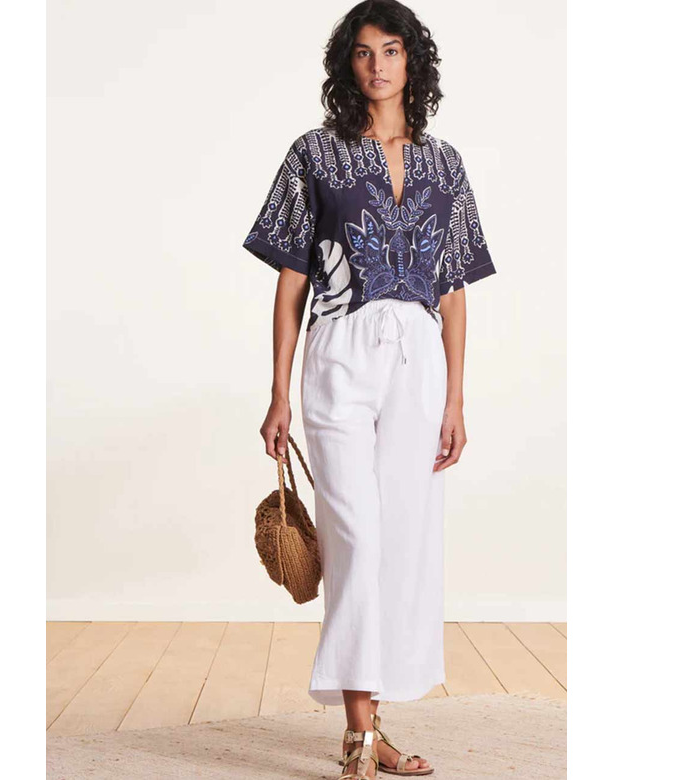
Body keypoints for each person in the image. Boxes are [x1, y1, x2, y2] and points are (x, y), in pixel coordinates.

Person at [242, 1, 497, 776]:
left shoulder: (445, 164)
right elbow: (291, 280)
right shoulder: (314, 155)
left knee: (404, 537)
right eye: (363, 51)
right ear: (346, 64)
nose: (378, 64)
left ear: (412, 61)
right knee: (355, 534)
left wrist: (456, 399)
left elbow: (453, 289)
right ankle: (358, 728)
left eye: (391, 50)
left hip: (418, 359)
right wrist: (279, 392)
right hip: (339, 349)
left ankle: (370, 726)